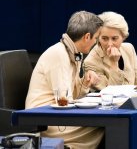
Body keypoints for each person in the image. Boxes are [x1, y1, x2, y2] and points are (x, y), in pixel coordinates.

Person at [25, 11, 104, 149]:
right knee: (102, 125)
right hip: (45, 120)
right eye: (96, 38)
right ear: (87, 36)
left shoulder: (73, 52)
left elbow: (70, 96)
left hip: (56, 115)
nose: (95, 43)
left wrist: (84, 83)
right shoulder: (59, 54)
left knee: (103, 122)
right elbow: (64, 101)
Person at [84, 11, 137, 90]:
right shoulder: (90, 62)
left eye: (114, 38)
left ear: (123, 37)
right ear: (98, 38)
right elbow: (111, 94)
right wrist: (113, 63)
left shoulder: (129, 48)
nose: (110, 44)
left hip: (133, 101)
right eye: (104, 38)